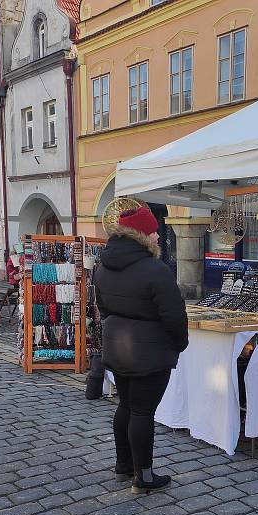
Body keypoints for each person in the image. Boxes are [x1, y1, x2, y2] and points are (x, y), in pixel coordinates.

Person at [94, 207, 188, 494]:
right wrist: (179, 343)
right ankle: (143, 476)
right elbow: (174, 315)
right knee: (142, 412)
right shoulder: (155, 269)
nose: (158, 235)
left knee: (127, 405)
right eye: (154, 230)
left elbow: (103, 307)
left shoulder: (103, 266)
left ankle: (124, 465)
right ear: (142, 235)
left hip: (118, 345)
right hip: (149, 350)